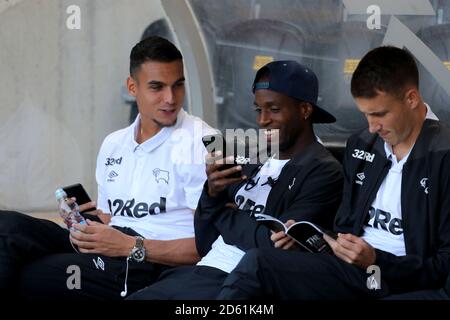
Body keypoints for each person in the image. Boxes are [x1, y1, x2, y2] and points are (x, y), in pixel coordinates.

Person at [216, 46, 450, 300]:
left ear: (411, 99)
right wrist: (315, 236)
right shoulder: (361, 145)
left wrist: (376, 260)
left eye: (380, 114)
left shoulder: (443, 155)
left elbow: (443, 265)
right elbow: (344, 228)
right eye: (365, 115)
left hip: (398, 280)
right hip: (355, 271)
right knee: (258, 265)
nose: (372, 127)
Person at [0, 36, 215, 300]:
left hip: (146, 261)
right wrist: (83, 219)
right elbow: (110, 216)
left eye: (178, 86)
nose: (170, 98)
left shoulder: (203, 142)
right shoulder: (114, 143)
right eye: (157, 87)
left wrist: (131, 246)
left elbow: (211, 246)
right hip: (111, 243)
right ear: (132, 87)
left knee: (35, 275)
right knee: (6, 227)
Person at [127, 60, 344, 299]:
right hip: (202, 272)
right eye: (258, 110)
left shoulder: (323, 170)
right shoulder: (252, 156)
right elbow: (204, 241)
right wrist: (212, 194)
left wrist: (225, 214)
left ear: (304, 110)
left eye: (273, 109)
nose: (262, 120)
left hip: (242, 282)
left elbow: (272, 246)